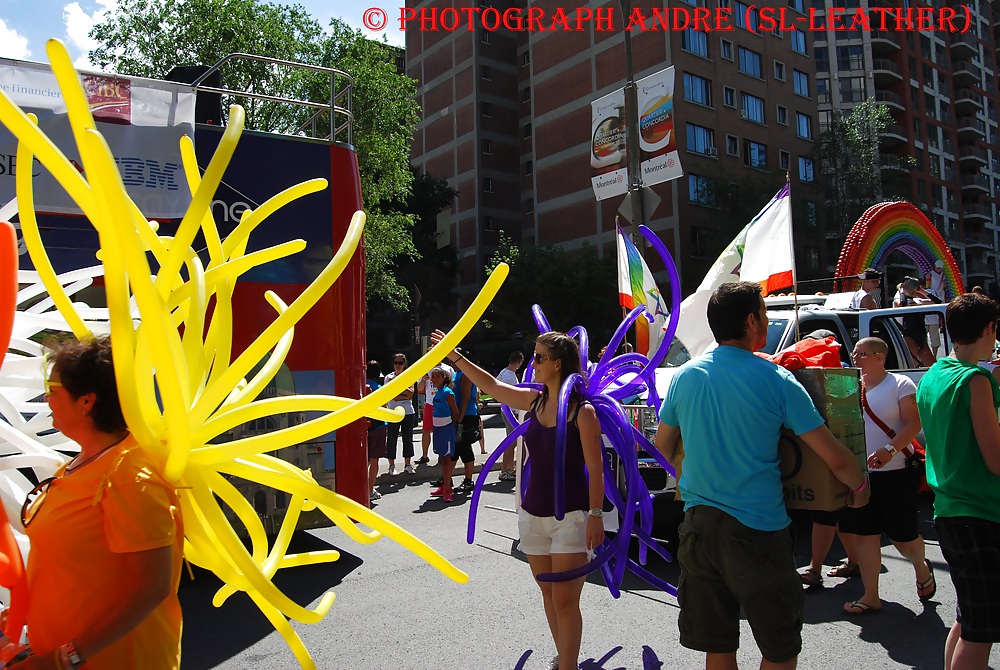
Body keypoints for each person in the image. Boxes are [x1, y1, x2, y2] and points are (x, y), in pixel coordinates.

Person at [653, 281, 869, 670]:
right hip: (757, 531)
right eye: (766, 317)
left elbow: (662, 448)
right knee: (780, 648)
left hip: (698, 528)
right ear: (751, 321)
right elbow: (834, 456)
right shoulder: (777, 380)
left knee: (717, 647)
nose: (767, 325)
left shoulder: (685, 377)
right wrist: (860, 485)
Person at [430, 329, 604, 670]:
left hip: (569, 516)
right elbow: (492, 387)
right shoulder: (535, 400)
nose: (533, 364)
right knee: (549, 595)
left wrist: (596, 515)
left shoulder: (583, 412)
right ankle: (563, 657)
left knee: (566, 602)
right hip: (532, 515)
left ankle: (568, 666)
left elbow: (595, 469)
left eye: (539, 358)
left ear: (557, 364)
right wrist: (455, 356)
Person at [9, 336, 183, 669]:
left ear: (87, 401)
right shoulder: (84, 463)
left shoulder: (130, 475)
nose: (46, 399)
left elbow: (151, 587)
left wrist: (66, 658)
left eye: (53, 390)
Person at [916, 292, 1000, 670]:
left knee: (967, 619)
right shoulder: (975, 381)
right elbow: (995, 459)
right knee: (979, 631)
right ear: (988, 329)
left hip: (949, 509)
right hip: (979, 512)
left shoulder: (934, 373)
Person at [837, 337, 934, 615]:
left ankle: (920, 565)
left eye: (863, 354)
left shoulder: (901, 384)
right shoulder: (849, 386)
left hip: (897, 473)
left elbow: (914, 422)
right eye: (855, 353)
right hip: (862, 476)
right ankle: (870, 596)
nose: (856, 358)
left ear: (880, 356)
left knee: (903, 536)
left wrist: (890, 450)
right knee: (865, 535)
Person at [894, 276, 942, 367]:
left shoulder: (918, 301)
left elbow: (938, 302)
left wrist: (922, 290)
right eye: (911, 289)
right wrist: (901, 290)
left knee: (932, 367)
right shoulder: (898, 301)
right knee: (911, 366)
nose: (914, 291)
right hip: (909, 335)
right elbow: (903, 303)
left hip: (921, 336)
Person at [451, 351, 481, 494]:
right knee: (456, 448)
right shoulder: (456, 374)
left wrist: (460, 419)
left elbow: (465, 398)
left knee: (464, 446)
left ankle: (469, 480)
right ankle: (446, 478)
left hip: (466, 416)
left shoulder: (465, 374)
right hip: (459, 416)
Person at [428, 366, 459, 502]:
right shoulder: (438, 392)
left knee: (446, 460)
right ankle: (444, 485)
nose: (434, 379)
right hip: (438, 428)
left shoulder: (447, 393)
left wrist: (450, 426)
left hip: (446, 428)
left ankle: (448, 490)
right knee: (442, 459)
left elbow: (455, 413)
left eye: (437, 376)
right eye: (432, 376)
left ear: (443, 378)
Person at [416, 360, 454, 466]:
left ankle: (441, 456)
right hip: (430, 404)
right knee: (426, 430)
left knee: (441, 431)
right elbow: (419, 388)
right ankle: (424, 456)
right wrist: (423, 380)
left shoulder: (447, 369)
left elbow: (453, 385)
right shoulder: (425, 368)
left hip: (443, 403)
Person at [384, 353, 416, 476]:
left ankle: (408, 464)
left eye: (400, 363)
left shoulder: (409, 376)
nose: (398, 365)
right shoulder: (388, 378)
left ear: (404, 364)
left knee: (408, 439)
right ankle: (391, 465)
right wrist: (402, 391)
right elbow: (391, 395)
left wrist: (398, 387)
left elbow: (410, 394)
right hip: (393, 411)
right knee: (392, 438)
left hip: (408, 412)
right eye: (396, 363)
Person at [496, 351, 525, 480]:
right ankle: (504, 471)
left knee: (511, 441)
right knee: (511, 442)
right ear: (519, 362)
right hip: (511, 411)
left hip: (506, 409)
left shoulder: (503, 372)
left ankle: (509, 468)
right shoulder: (511, 377)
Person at [365, 360, 388, 502]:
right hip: (378, 426)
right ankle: (370, 490)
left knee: (365, 460)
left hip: (364, 426)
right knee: (374, 460)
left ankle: (361, 488)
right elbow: (384, 408)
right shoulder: (379, 388)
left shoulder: (360, 386)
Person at [925, 260, 946, 359]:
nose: (939, 269)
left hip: (938, 298)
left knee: (935, 337)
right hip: (932, 297)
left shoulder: (943, 275)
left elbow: (944, 286)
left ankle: (934, 357)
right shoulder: (930, 274)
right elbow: (928, 286)